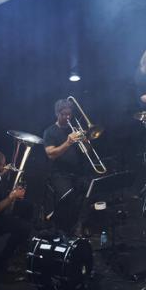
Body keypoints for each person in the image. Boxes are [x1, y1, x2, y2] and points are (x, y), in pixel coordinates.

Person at [43, 99, 88, 234]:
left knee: (89, 191)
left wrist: (86, 141)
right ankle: (60, 226)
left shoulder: (74, 129)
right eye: (64, 114)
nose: (67, 117)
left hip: (77, 172)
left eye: (69, 114)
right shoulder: (50, 131)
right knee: (68, 196)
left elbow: (87, 152)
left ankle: (77, 224)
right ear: (57, 113)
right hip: (59, 173)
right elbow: (51, 154)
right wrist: (68, 142)